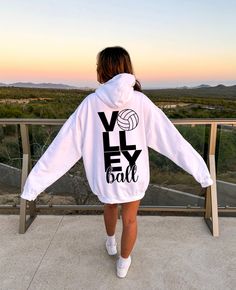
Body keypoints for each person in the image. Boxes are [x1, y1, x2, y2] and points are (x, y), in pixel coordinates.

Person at [21, 46, 213, 278]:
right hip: (133, 173)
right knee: (130, 219)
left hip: (106, 173)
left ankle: (111, 242)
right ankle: (123, 263)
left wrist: (33, 185)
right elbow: (172, 140)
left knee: (110, 205)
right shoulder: (141, 101)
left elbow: (62, 146)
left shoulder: (91, 103)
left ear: (103, 70)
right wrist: (201, 172)